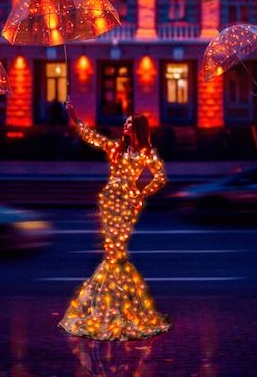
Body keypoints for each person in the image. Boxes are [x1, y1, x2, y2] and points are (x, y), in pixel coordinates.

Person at [58, 100, 172, 341]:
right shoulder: (117, 149)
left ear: (139, 128)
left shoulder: (146, 153)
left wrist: (141, 193)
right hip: (109, 201)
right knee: (112, 250)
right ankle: (113, 303)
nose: (125, 125)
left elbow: (160, 177)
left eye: (130, 123)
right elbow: (92, 138)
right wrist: (74, 115)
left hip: (127, 202)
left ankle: (117, 304)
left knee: (116, 252)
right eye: (126, 122)